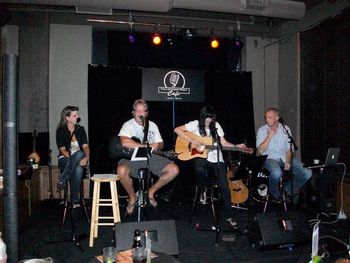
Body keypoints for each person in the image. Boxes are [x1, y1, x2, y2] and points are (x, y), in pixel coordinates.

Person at [174, 105, 246, 227]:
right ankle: (204, 188)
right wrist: (192, 141)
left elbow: (223, 143)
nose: (209, 120)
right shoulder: (195, 124)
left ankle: (229, 216)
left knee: (225, 188)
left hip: (217, 159)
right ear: (203, 116)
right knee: (199, 166)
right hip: (201, 157)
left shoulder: (216, 126)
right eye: (207, 117)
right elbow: (177, 130)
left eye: (211, 118)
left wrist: (236, 146)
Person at [117, 99, 179, 215]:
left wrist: (157, 146)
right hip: (131, 158)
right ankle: (132, 197)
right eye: (138, 111)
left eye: (143, 111)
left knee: (174, 169)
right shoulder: (128, 125)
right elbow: (124, 142)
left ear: (146, 113)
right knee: (121, 170)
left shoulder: (152, 125)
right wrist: (147, 145)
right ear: (133, 112)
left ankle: (150, 192)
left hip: (150, 156)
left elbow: (160, 144)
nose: (140, 114)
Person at [256, 107, 312, 203]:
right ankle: (275, 194)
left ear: (277, 118)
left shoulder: (286, 129)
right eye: (266, 117)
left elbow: (289, 149)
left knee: (307, 173)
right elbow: (259, 151)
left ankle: (287, 190)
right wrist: (269, 137)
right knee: (277, 172)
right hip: (269, 158)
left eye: (270, 117)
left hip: (283, 157)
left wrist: (288, 161)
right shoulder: (262, 130)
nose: (267, 120)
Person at [56, 106, 90, 207]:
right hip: (64, 159)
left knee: (79, 167)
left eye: (77, 115)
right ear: (67, 118)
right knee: (79, 153)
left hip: (78, 160)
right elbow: (62, 150)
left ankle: (63, 179)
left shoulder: (80, 129)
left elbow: (86, 147)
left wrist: (87, 158)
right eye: (75, 115)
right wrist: (74, 159)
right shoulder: (61, 131)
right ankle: (75, 199)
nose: (77, 117)